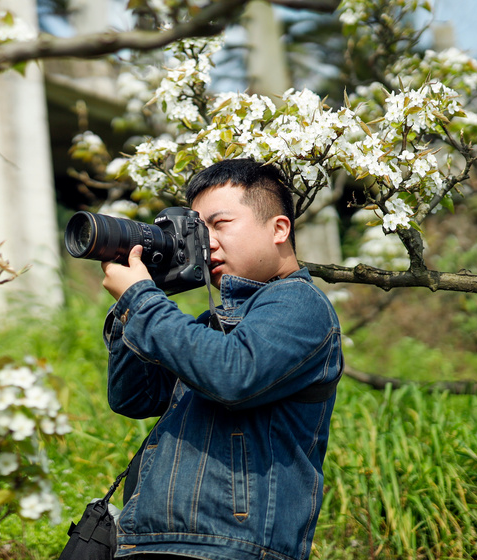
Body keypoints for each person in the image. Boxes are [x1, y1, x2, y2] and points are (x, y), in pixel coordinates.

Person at [100, 158, 343, 560]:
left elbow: (232, 374)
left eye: (220, 224)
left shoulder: (300, 304)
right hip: (152, 543)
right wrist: (136, 301)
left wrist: (141, 302)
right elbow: (132, 398)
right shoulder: (210, 326)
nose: (205, 242)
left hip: (231, 548)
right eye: (197, 230)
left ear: (279, 229)